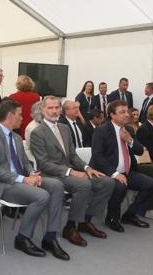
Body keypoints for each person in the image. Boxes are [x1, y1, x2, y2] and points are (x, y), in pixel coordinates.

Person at [0, 100, 69, 260]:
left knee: (56, 185)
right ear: (10, 116)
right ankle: (22, 238)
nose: (22, 118)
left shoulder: (17, 137)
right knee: (42, 196)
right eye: (20, 115)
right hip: (1, 183)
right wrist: (24, 179)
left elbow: (25, 162)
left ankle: (50, 237)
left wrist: (33, 173)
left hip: (20, 180)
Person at [30, 96, 115, 246]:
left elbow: (73, 155)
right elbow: (44, 164)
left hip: (69, 171)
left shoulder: (64, 128)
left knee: (107, 182)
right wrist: (71, 172)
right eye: (50, 108)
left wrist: (87, 167)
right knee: (84, 185)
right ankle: (70, 227)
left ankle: (84, 221)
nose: (54, 111)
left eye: (57, 107)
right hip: (51, 174)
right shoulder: (37, 132)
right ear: (43, 110)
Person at [90, 100, 153, 232]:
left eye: (127, 111)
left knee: (150, 184)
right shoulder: (102, 130)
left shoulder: (129, 129)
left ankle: (130, 214)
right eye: (122, 112)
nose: (127, 114)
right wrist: (115, 174)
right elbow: (98, 157)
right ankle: (112, 218)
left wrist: (130, 140)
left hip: (127, 171)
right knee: (121, 185)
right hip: (107, 172)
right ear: (112, 115)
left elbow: (140, 151)